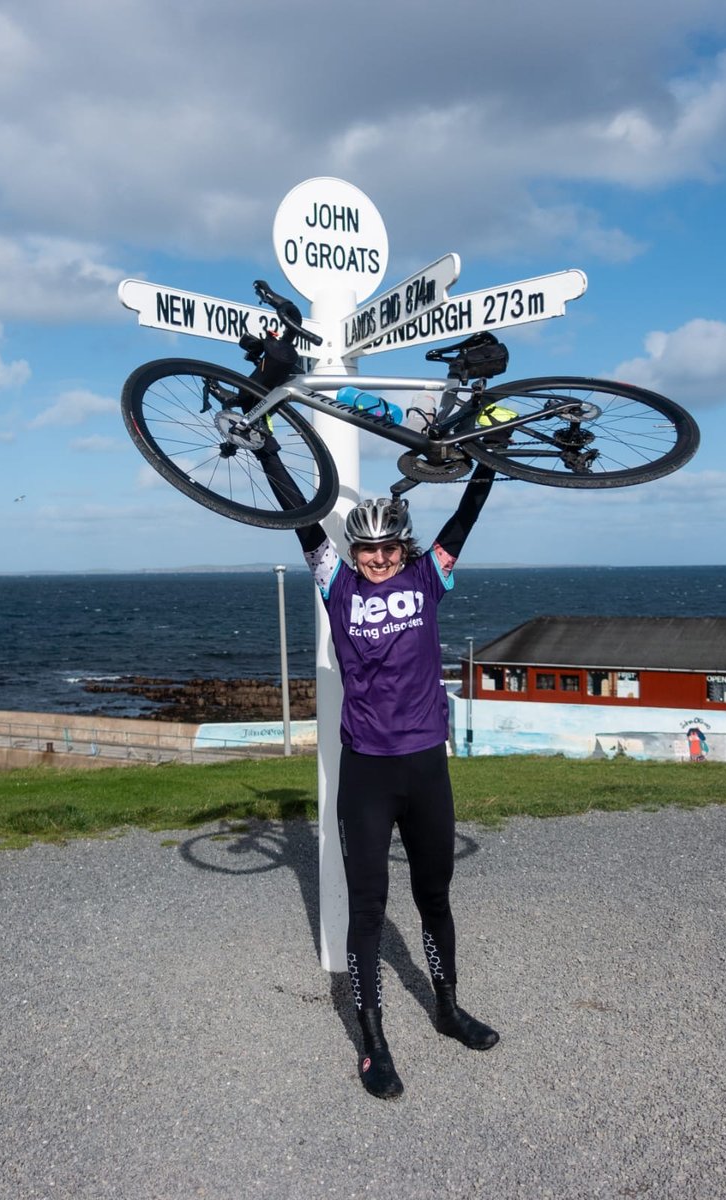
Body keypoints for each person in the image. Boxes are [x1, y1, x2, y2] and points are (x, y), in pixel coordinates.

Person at [282, 464, 500, 1100]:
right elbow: (303, 520)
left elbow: (465, 519)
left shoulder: (428, 578)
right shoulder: (337, 585)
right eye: (367, 549)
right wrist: (266, 452)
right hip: (368, 772)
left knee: (435, 894)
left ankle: (447, 1008)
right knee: (369, 907)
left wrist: (488, 463)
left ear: (405, 547)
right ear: (353, 552)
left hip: (426, 766)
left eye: (389, 548)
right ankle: (373, 1041)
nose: (378, 559)